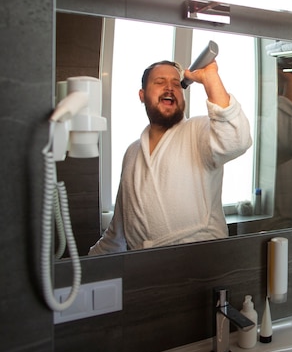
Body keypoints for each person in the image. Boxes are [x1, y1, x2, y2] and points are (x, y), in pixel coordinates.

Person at [89, 58, 252, 254]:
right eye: (159, 82)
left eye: (176, 84)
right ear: (142, 95)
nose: (169, 88)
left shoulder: (198, 130)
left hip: (200, 264)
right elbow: (118, 230)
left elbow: (236, 139)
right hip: (144, 269)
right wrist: (84, 267)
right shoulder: (132, 152)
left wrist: (210, 78)